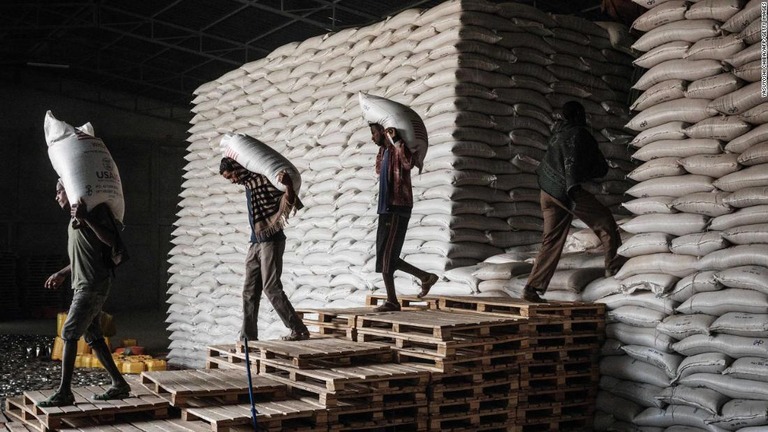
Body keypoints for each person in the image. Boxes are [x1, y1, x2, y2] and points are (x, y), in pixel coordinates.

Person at [522, 101, 626, 303]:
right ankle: (613, 267)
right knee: (604, 221)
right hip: (567, 192)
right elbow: (598, 165)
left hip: (547, 192)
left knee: (551, 240)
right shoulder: (579, 134)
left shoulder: (557, 135)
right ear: (579, 115)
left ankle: (532, 287)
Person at [39, 180, 131, 407]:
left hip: (93, 285)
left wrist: (87, 218)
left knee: (69, 333)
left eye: (58, 192)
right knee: (93, 336)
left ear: (68, 192)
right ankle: (119, 384)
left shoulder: (93, 213)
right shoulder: (74, 220)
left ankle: (64, 392)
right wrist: (62, 273)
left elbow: (112, 241)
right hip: (83, 284)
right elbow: (82, 256)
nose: (56, 197)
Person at [219, 157, 309, 343]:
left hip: (271, 240)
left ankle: (298, 329)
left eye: (231, 176)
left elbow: (287, 200)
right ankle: (248, 337)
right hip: (256, 242)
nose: (233, 181)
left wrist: (289, 185)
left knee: (271, 288)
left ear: (237, 168)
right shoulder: (249, 185)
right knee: (249, 291)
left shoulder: (263, 180)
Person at [370, 123, 438, 312]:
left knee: (386, 257)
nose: (372, 138)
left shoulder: (398, 148)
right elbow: (377, 170)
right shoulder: (384, 152)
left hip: (397, 207)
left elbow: (409, 163)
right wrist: (383, 147)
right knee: (385, 257)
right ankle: (424, 277)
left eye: (374, 133)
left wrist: (397, 140)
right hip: (385, 208)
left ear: (383, 132)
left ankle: (393, 300)